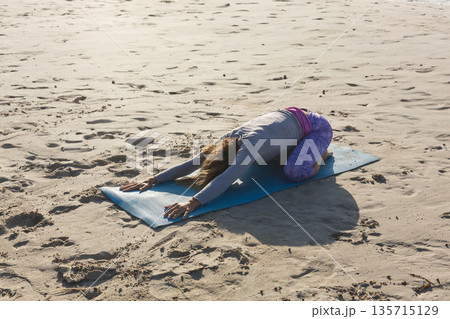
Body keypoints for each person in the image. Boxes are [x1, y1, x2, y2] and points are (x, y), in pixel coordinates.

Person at [120, 107, 333, 220]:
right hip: (292, 118)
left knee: (293, 171)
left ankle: (319, 155)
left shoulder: (248, 146)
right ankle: (296, 149)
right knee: (267, 159)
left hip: (317, 128)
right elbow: (193, 163)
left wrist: (193, 202)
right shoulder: (229, 138)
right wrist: (154, 179)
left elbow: (227, 177)